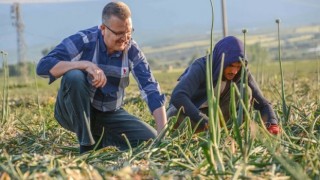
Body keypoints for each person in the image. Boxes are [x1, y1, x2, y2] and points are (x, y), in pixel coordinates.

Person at [36, 1, 167, 153]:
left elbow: (151, 89)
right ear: (103, 29)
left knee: (149, 141)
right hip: (72, 112)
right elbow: (43, 66)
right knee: (74, 76)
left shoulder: (132, 50)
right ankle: (87, 146)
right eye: (119, 33)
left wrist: (162, 136)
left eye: (129, 32)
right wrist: (84, 64)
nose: (125, 38)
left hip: (109, 114)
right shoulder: (84, 41)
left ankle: (99, 140)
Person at [167, 36, 280, 135]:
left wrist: (272, 124)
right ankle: (188, 135)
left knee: (245, 90)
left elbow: (263, 103)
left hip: (216, 119)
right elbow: (178, 96)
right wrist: (204, 121)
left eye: (238, 66)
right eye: (230, 65)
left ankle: (231, 135)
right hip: (192, 116)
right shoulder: (201, 67)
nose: (234, 71)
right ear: (221, 60)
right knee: (174, 113)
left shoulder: (242, 71)